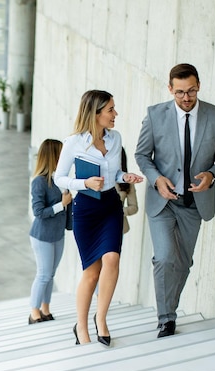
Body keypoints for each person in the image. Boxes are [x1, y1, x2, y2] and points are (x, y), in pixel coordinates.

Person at [134, 63, 215, 338]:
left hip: (194, 204)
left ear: (198, 85)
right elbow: (142, 155)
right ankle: (166, 318)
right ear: (170, 89)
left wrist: (212, 175)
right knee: (165, 258)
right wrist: (157, 179)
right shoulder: (155, 116)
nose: (186, 98)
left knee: (183, 263)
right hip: (163, 201)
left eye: (190, 91)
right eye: (179, 93)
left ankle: (169, 308)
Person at [55, 90, 143, 345]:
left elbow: (114, 174)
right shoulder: (73, 143)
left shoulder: (116, 139)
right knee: (92, 272)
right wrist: (84, 183)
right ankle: (80, 326)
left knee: (112, 259)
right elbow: (59, 178)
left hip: (110, 207)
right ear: (95, 114)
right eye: (110, 110)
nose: (115, 114)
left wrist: (125, 177)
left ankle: (101, 318)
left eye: (114, 109)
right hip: (86, 209)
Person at [28, 139, 72, 324]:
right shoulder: (39, 181)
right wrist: (61, 205)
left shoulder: (61, 180)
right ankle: (34, 313)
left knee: (51, 274)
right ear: (53, 156)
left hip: (58, 234)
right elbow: (38, 212)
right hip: (42, 235)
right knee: (43, 274)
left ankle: (45, 309)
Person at [116, 147, 139, 234]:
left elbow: (134, 207)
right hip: (97, 225)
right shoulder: (97, 177)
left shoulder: (128, 180)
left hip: (118, 227)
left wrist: (120, 211)